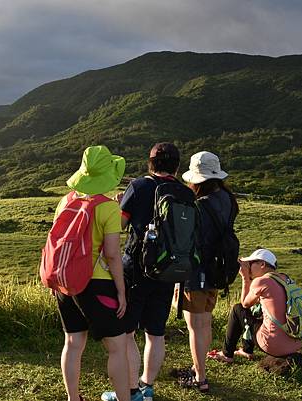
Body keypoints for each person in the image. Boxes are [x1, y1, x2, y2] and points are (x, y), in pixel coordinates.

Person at [102, 143, 194, 401]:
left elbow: (120, 224)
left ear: (150, 163)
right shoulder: (185, 193)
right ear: (177, 165)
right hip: (169, 270)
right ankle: (147, 386)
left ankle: (131, 392)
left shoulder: (139, 186)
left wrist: (117, 205)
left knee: (129, 331)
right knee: (156, 332)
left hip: (138, 266)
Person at [53, 145, 130, 401]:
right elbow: (112, 254)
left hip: (65, 281)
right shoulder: (107, 208)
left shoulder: (66, 199)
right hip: (96, 283)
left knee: (73, 343)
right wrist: (121, 290)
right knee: (117, 347)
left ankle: (73, 398)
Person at [176, 151, 238, 393]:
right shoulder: (228, 199)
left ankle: (199, 377)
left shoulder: (199, 206)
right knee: (206, 322)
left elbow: (191, 240)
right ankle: (198, 366)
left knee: (195, 325)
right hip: (218, 268)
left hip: (197, 270)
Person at [207, 249, 302, 363]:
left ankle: (227, 354)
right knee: (256, 310)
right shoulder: (285, 279)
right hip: (296, 342)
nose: (249, 267)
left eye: (251, 264)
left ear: (262, 264)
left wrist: (245, 277)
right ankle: (247, 350)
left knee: (238, 309)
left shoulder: (263, 281)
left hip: (273, 345)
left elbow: (245, 304)